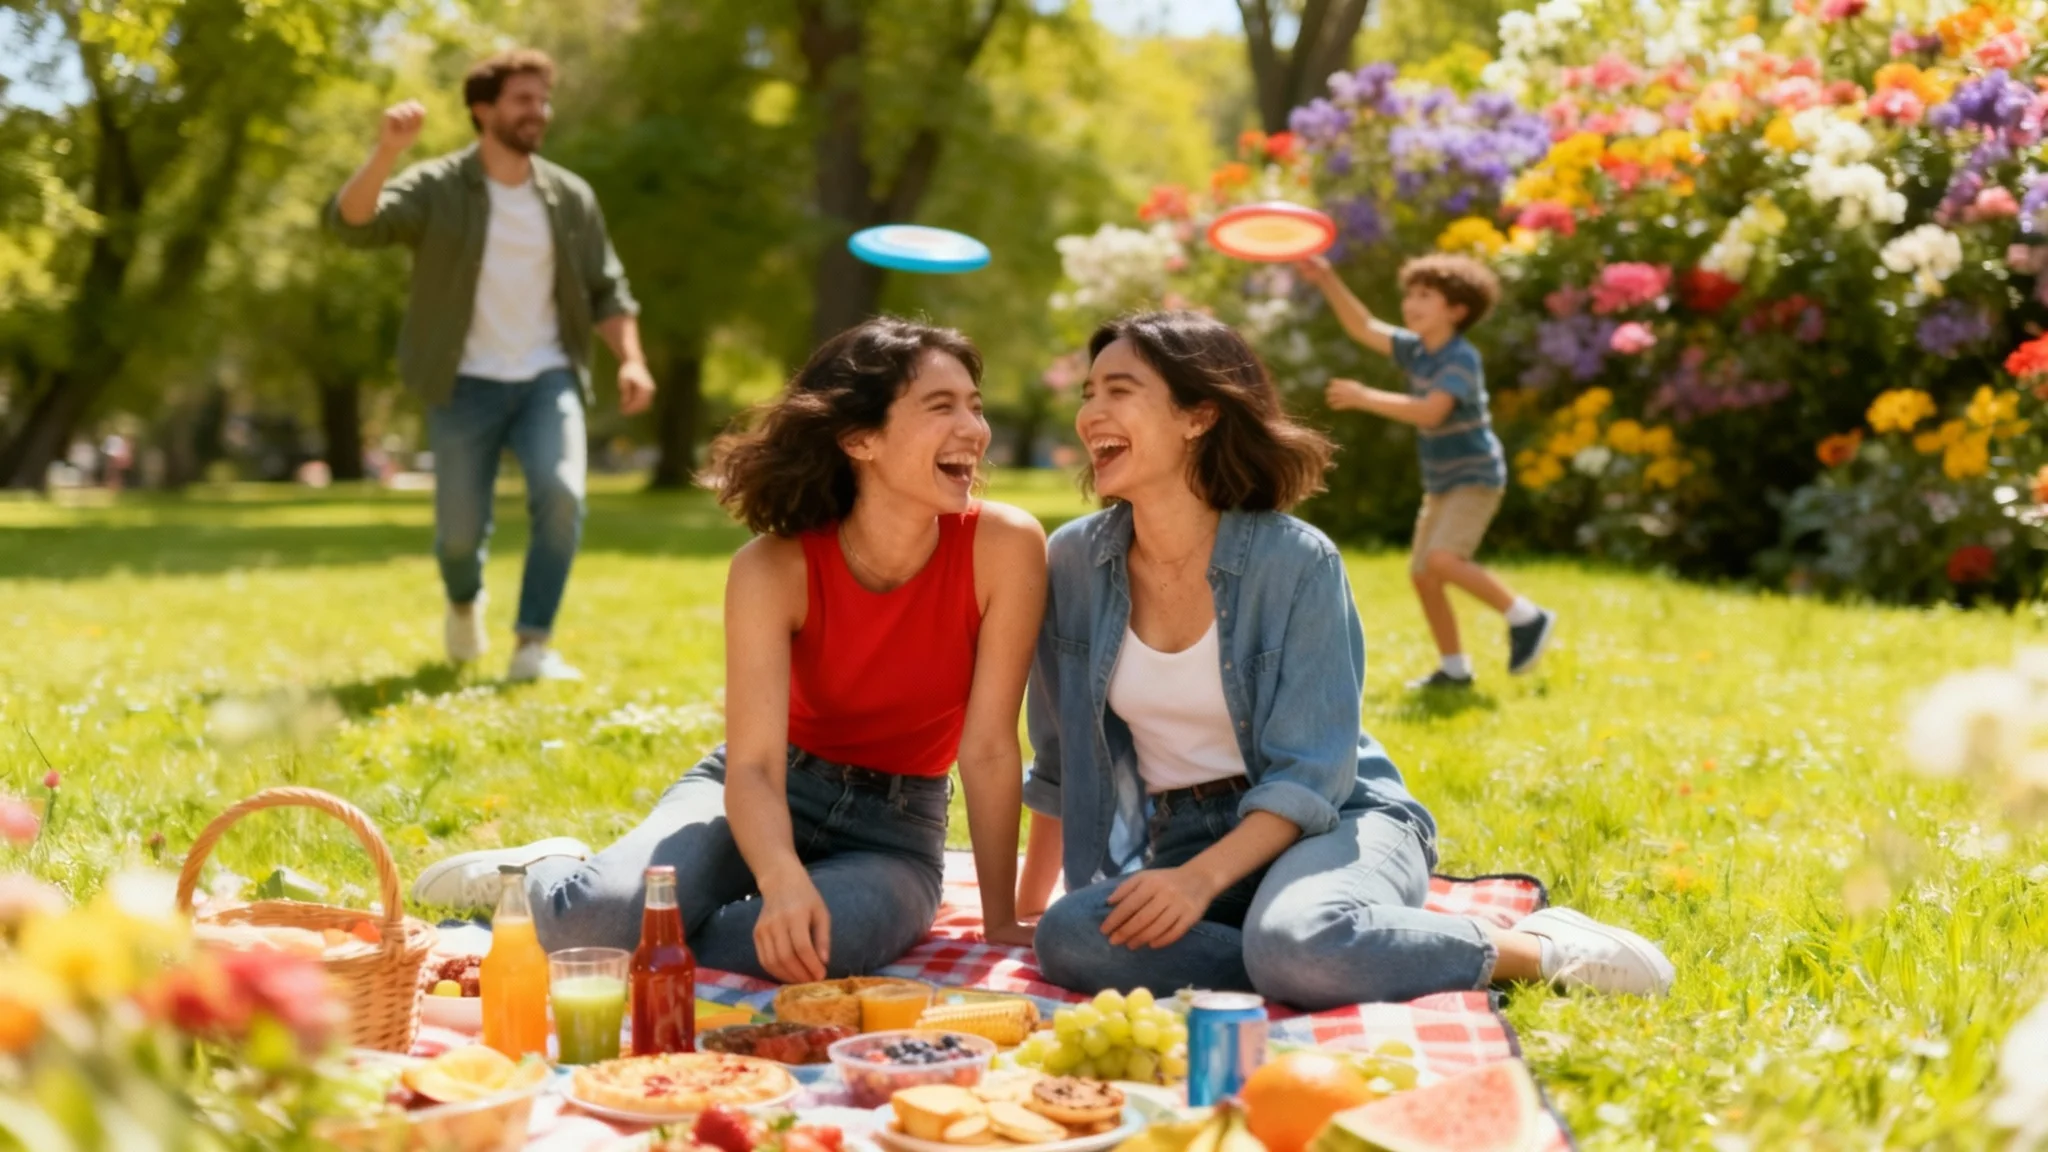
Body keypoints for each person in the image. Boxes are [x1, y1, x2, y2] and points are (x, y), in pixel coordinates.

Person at [1017, 311, 1672, 1010]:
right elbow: (1062, 756)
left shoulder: (1295, 561)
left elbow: (1312, 776)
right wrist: (1021, 913)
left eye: (1118, 390)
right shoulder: (1076, 560)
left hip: (1336, 819)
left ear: (1198, 415)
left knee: (1296, 943)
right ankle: (1326, 950)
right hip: (1180, 836)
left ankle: (1532, 949)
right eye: (1087, 393)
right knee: (1070, 937)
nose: (1091, 414)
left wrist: (1200, 884)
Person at [414, 318, 1046, 982]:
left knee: (818, 945)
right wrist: (778, 875)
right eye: (941, 407)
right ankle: (550, 879)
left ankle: (656, 919)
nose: (975, 430)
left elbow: (991, 749)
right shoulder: (772, 569)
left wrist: (1000, 916)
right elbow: (751, 767)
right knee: (595, 926)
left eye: (975, 406)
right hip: (760, 784)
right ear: (860, 438)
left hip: (895, 829)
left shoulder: (1003, 547)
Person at [324, 49, 654, 682]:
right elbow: (353, 223)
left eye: (542, 100)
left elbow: (607, 289)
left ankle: (532, 646)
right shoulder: (439, 185)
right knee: (457, 534)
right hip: (461, 382)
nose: (539, 112)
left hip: (547, 376)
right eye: (523, 100)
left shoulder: (568, 197)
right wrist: (387, 152)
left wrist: (631, 360)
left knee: (561, 495)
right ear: (483, 109)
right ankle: (463, 599)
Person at [1299, 254, 1554, 691]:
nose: (1411, 303)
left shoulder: (1460, 358)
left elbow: (1433, 412)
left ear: (1456, 311)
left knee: (1442, 560)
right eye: (1410, 294)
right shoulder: (1418, 349)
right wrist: (1326, 277)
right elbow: (1363, 326)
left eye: (1425, 296)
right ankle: (1454, 669)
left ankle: (1526, 617)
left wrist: (1364, 396)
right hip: (1443, 481)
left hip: (1475, 477)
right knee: (1423, 574)